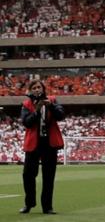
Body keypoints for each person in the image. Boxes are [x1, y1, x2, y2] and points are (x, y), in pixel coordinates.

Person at [19, 80, 65, 214]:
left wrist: (50, 106)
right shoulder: (26, 104)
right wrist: (37, 110)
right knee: (28, 175)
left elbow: (61, 115)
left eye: (39, 87)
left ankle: (47, 206)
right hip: (34, 144)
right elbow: (27, 123)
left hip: (49, 144)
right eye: (34, 88)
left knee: (49, 176)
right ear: (30, 90)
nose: (37, 89)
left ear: (43, 89)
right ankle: (29, 203)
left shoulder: (52, 100)